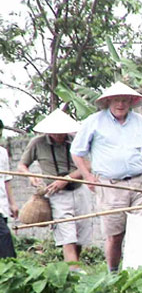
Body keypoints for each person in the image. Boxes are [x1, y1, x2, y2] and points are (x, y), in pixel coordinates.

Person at [70, 81, 142, 273]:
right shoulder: (93, 122)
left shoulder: (140, 121)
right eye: (116, 100)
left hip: (140, 183)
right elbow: (77, 152)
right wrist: (87, 176)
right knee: (115, 235)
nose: (120, 104)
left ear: (130, 101)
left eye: (125, 100)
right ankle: (114, 273)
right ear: (109, 101)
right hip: (110, 186)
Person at [18, 110, 92, 272]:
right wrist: (31, 177)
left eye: (62, 132)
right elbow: (22, 166)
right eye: (55, 133)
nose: (59, 136)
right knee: (67, 236)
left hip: (80, 191)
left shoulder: (76, 140)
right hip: (56, 195)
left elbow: (87, 166)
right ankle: (74, 274)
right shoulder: (37, 143)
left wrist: (66, 179)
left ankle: (74, 267)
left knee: (81, 234)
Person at [0, 119, 18, 259]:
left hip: (2, 204)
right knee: (4, 235)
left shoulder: (2, 153)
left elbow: (6, 179)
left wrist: (12, 203)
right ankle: (10, 266)